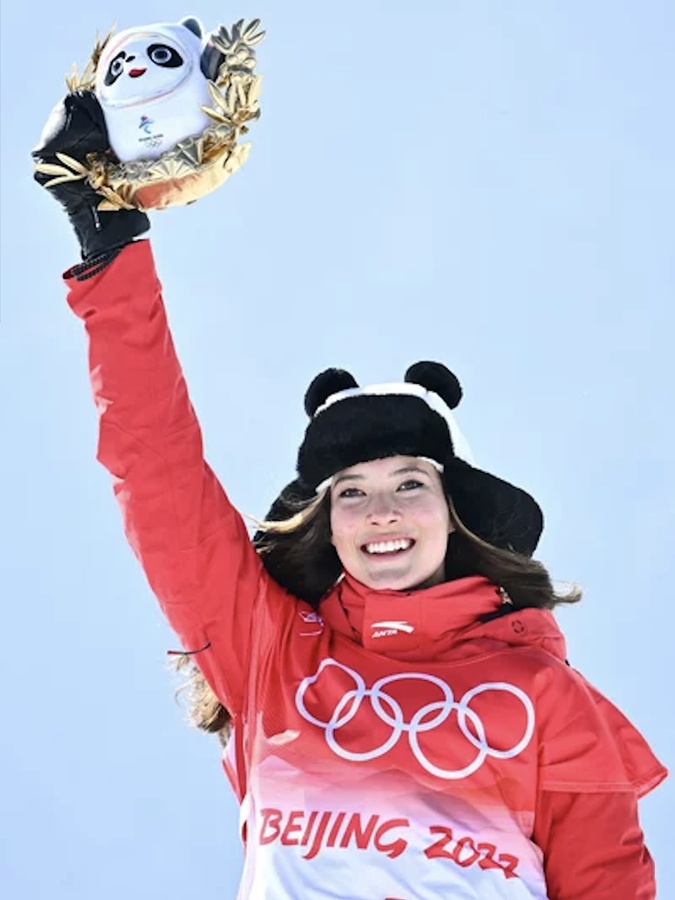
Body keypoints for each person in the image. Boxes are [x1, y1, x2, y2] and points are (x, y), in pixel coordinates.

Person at [33, 90, 667, 900]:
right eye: (351, 494)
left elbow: (608, 883)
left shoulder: (546, 696)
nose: (381, 512)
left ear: (456, 512)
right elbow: (155, 467)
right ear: (325, 527)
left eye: (410, 483)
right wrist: (107, 242)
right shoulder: (270, 655)